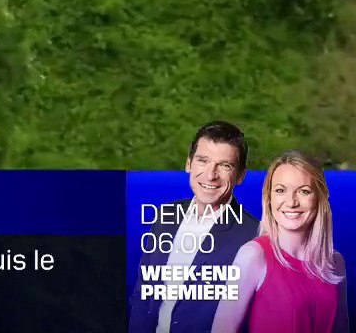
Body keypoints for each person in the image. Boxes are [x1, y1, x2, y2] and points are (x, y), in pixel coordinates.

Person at [129, 121, 261, 333]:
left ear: (240, 176)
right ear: (189, 164)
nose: (211, 175)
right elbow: (144, 295)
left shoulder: (254, 237)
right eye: (203, 161)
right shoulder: (166, 216)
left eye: (225, 165)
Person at [212, 151, 349, 333]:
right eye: (280, 190)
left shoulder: (335, 262)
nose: (291, 202)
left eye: (304, 191)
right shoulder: (253, 255)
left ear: (320, 198)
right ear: (269, 198)